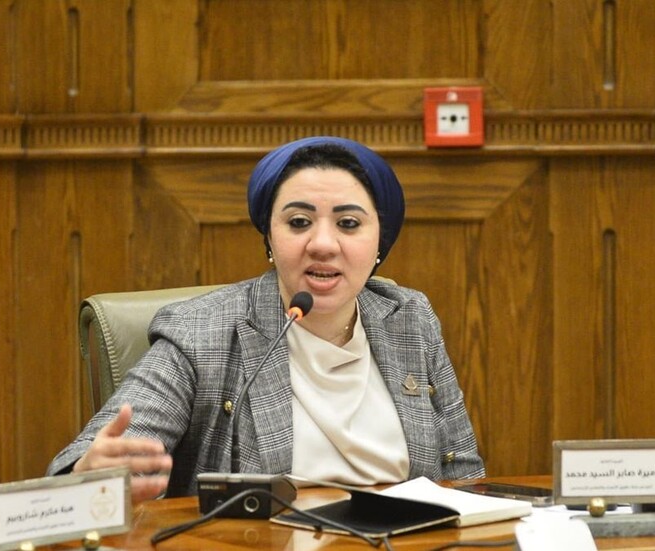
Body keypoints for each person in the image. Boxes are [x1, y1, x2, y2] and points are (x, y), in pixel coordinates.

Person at [47, 136, 485, 501]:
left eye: (349, 224)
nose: (323, 244)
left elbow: (464, 476)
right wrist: (91, 473)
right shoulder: (202, 331)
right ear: (270, 239)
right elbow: (89, 468)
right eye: (299, 222)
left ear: (379, 244)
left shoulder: (409, 319)